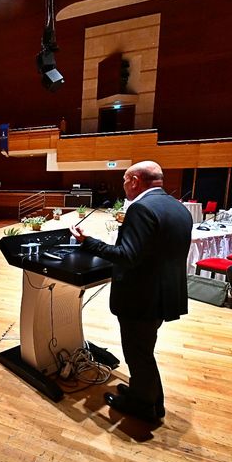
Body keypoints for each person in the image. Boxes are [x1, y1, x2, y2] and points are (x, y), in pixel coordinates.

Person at [69, 161, 192, 423]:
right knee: (143, 351)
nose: (124, 186)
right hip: (164, 294)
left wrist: (87, 242)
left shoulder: (141, 208)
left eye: (125, 180)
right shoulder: (177, 206)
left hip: (141, 297)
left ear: (135, 180)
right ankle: (150, 400)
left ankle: (143, 406)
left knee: (139, 354)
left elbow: (127, 256)